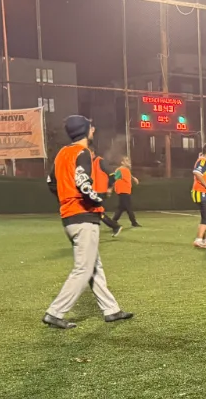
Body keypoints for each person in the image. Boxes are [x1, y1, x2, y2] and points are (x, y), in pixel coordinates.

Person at [42, 115, 133, 329]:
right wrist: (97, 197)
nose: (93, 129)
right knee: (83, 269)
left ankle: (111, 310)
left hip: (69, 216)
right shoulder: (82, 152)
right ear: (84, 130)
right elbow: (83, 182)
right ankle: (55, 312)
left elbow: (51, 181)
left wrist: (66, 198)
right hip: (83, 216)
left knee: (94, 266)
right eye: (91, 127)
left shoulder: (62, 153)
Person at [89, 145, 122, 237]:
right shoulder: (91, 163)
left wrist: (110, 188)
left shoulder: (100, 161)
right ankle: (113, 226)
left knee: (96, 211)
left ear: (92, 153)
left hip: (101, 191)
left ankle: (115, 226)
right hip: (94, 192)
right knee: (94, 211)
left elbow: (113, 175)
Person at [111, 156, 140, 227]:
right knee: (128, 207)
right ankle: (134, 222)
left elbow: (128, 174)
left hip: (126, 191)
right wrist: (110, 188)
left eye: (128, 160)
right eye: (126, 161)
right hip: (123, 191)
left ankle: (113, 221)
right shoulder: (119, 170)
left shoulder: (126, 170)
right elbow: (114, 178)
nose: (129, 162)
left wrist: (133, 178)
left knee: (121, 208)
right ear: (122, 162)